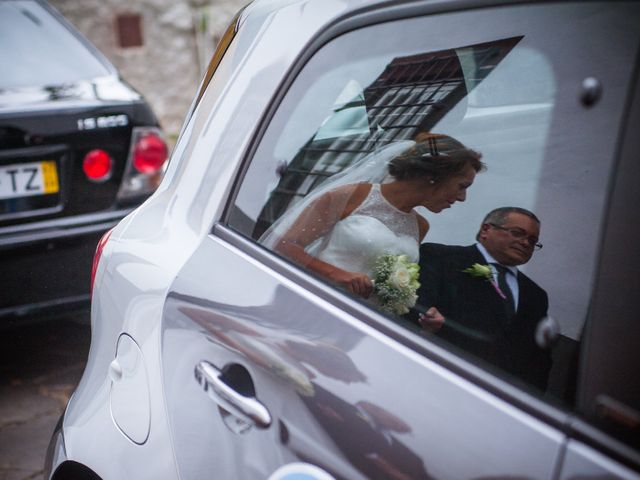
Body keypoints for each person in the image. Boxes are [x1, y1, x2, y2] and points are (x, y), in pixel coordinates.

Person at [263, 134, 484, 299]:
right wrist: (337, 274)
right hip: (317, 301)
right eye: (462, 186)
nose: (462, 198)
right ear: (435, 176)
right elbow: (282, 245)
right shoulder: (352, 195)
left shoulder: (420, 226)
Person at [415, 207, 552, 390]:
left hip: (499, 395)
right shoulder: (442, 258)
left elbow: (538, 359)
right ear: (486, 230)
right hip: (436, 376)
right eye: (518, 233)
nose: (526, 242)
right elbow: (416, 309)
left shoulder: (536, 295)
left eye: (533, 240)